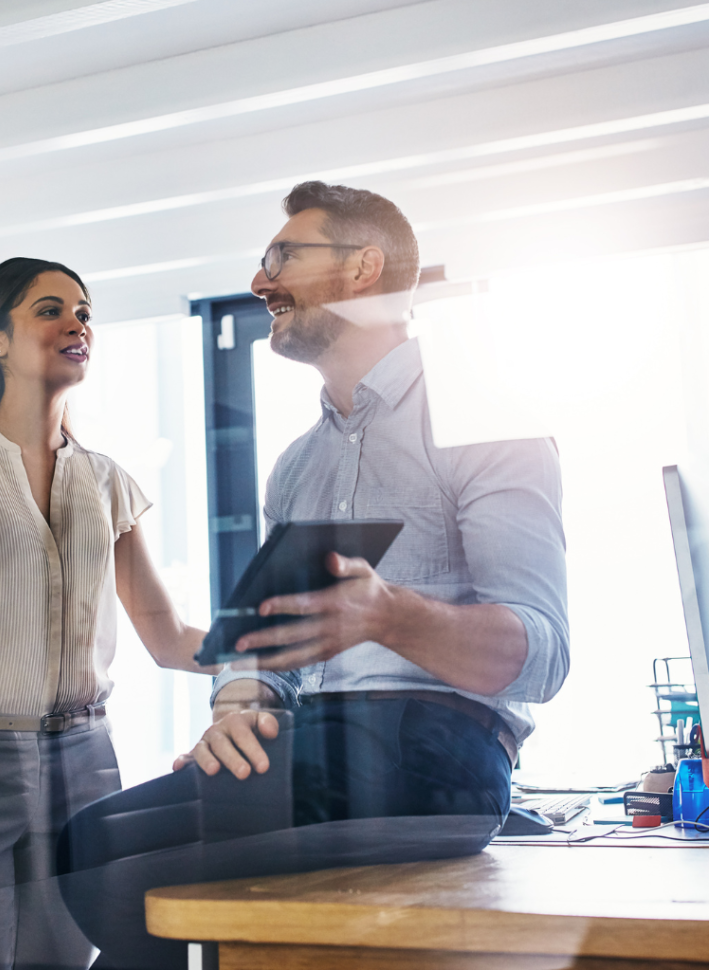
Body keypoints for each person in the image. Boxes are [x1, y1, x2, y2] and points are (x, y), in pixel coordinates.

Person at [57, 181, 569, 969]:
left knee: (107, 859)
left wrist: (393, 614)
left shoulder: (484, 414)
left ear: (365, 268)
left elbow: (544, 655)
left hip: (439, 752)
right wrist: (239, 706)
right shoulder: (298, 467)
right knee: (92, 846)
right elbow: (266, 646)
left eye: (283, 257)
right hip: (323, 741)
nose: (261, 281)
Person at [0, 257, 214, 970]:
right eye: (51, 309)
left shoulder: (106, 481)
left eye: (85, 311)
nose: (77, 323)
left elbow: (169, 638)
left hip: (85, 767)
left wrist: (285, 637)